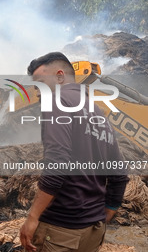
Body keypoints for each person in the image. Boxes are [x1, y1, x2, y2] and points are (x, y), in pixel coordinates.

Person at [19, 52, 128, 252]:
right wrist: (108, 211)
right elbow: (119, 172)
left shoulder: (56, 101)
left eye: (41, 83)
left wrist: (32, 217)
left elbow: (57, 164)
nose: (37, 93)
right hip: (93, 232)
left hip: (61, 230)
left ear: (60, 76)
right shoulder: (97, 111)